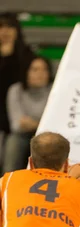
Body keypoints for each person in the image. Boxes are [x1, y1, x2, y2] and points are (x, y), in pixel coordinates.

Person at [3, 56, 52, 173]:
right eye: (35, 69)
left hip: (46, 135)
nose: (40, 74)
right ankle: (7, 181)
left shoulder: (54, 90)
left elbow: (53, 123)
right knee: (13, 142)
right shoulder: (16, 90)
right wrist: (40, 122)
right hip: (22, 136)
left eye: (44, 70)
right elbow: (17, 125)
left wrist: (31, 123)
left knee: (52, 143)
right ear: (26, 72)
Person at [0, 13, 34, 171]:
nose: (5, 31)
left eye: (9, 27)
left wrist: (9, 58)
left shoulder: (27, 55)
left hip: (18, 117)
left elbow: (29, 82)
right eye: (1, 27)